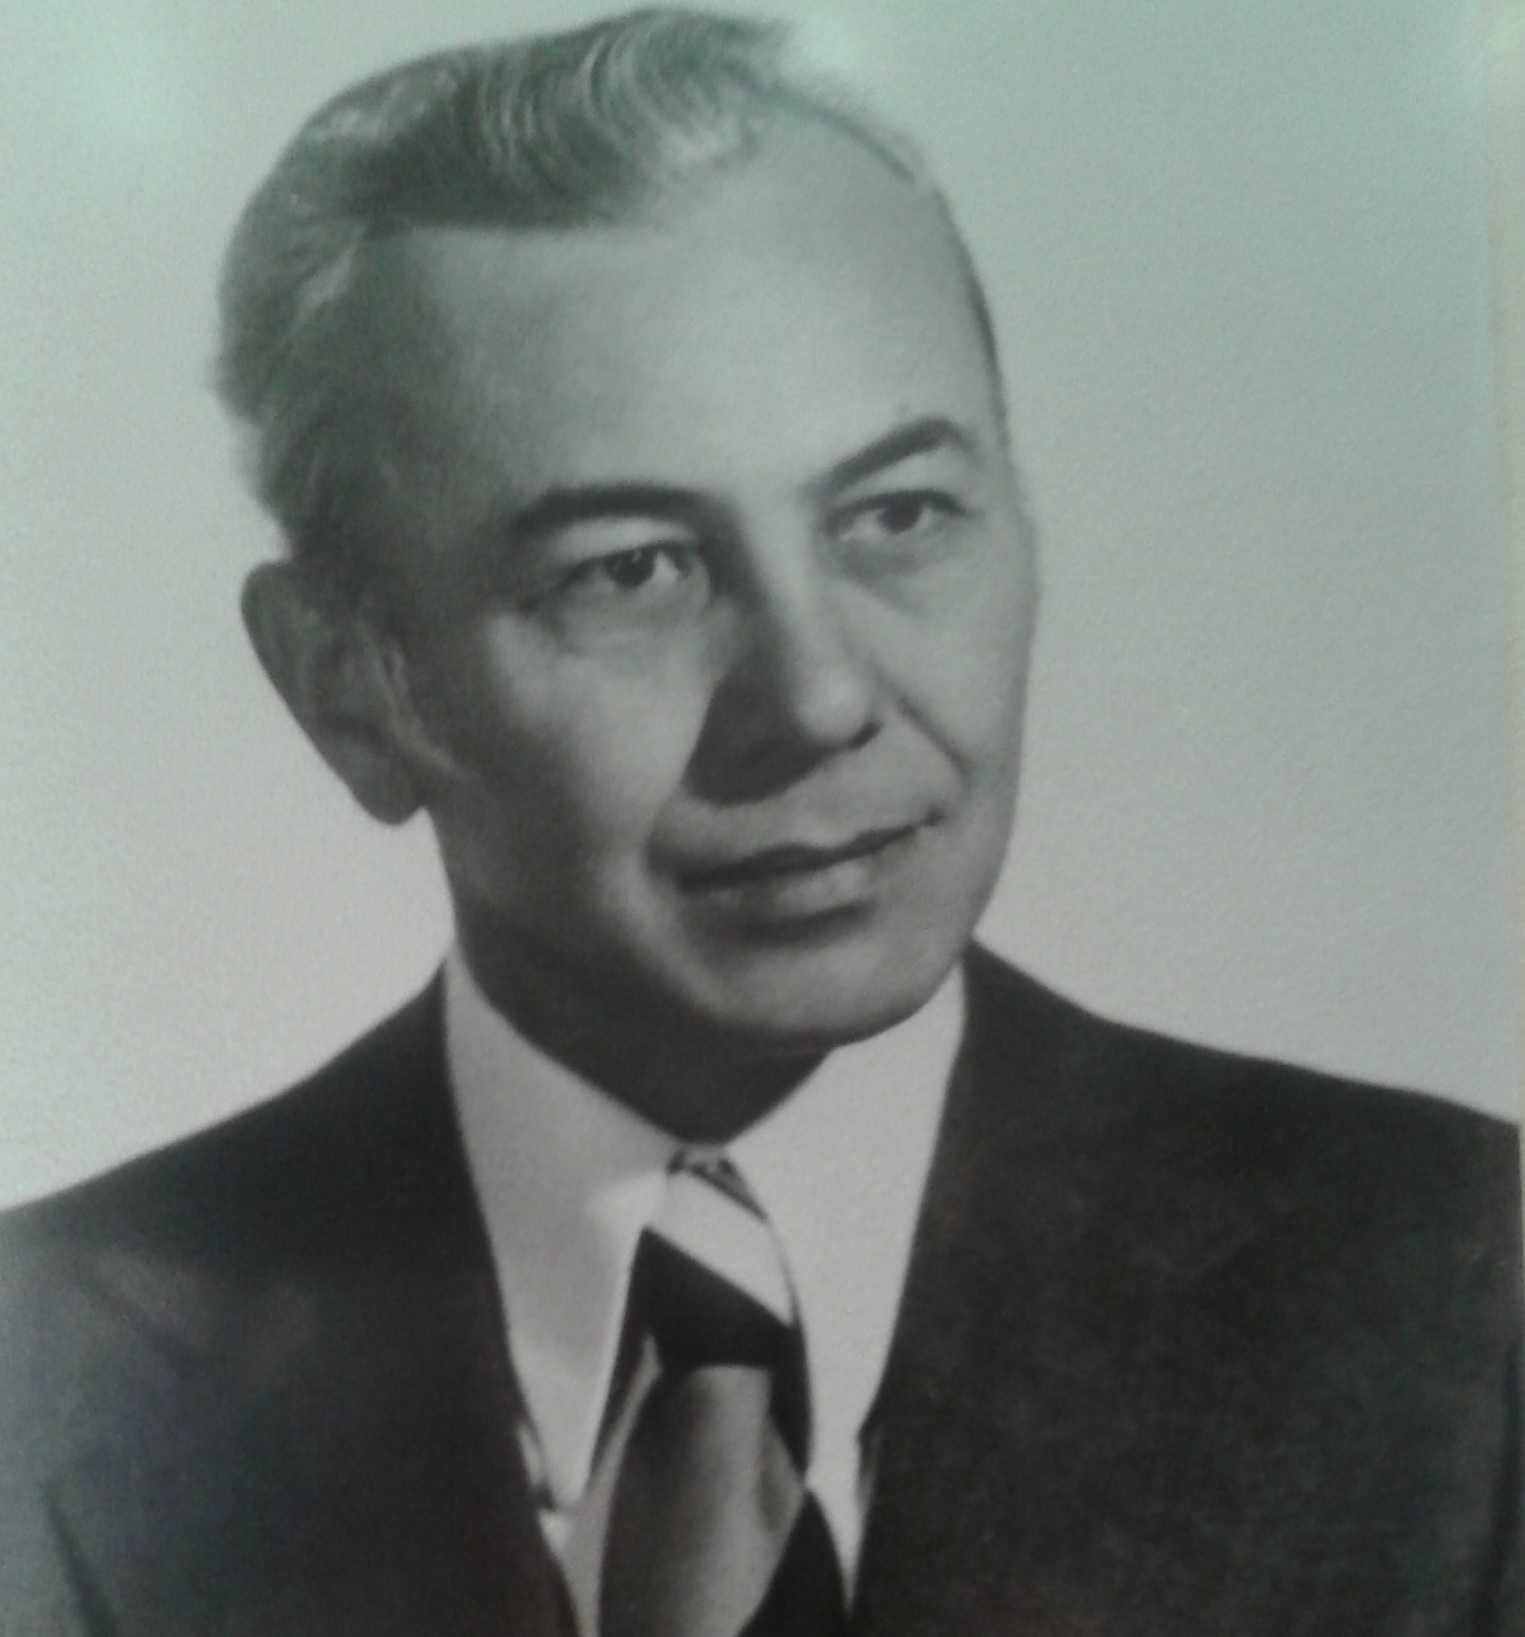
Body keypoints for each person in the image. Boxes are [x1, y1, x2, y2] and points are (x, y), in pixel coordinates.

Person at [1, 10, 1519, 1635]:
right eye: (629, 567)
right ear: (345, 688)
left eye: (898, 512)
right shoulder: (45, 1372)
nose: (817, 694)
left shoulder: (1458, 1289)